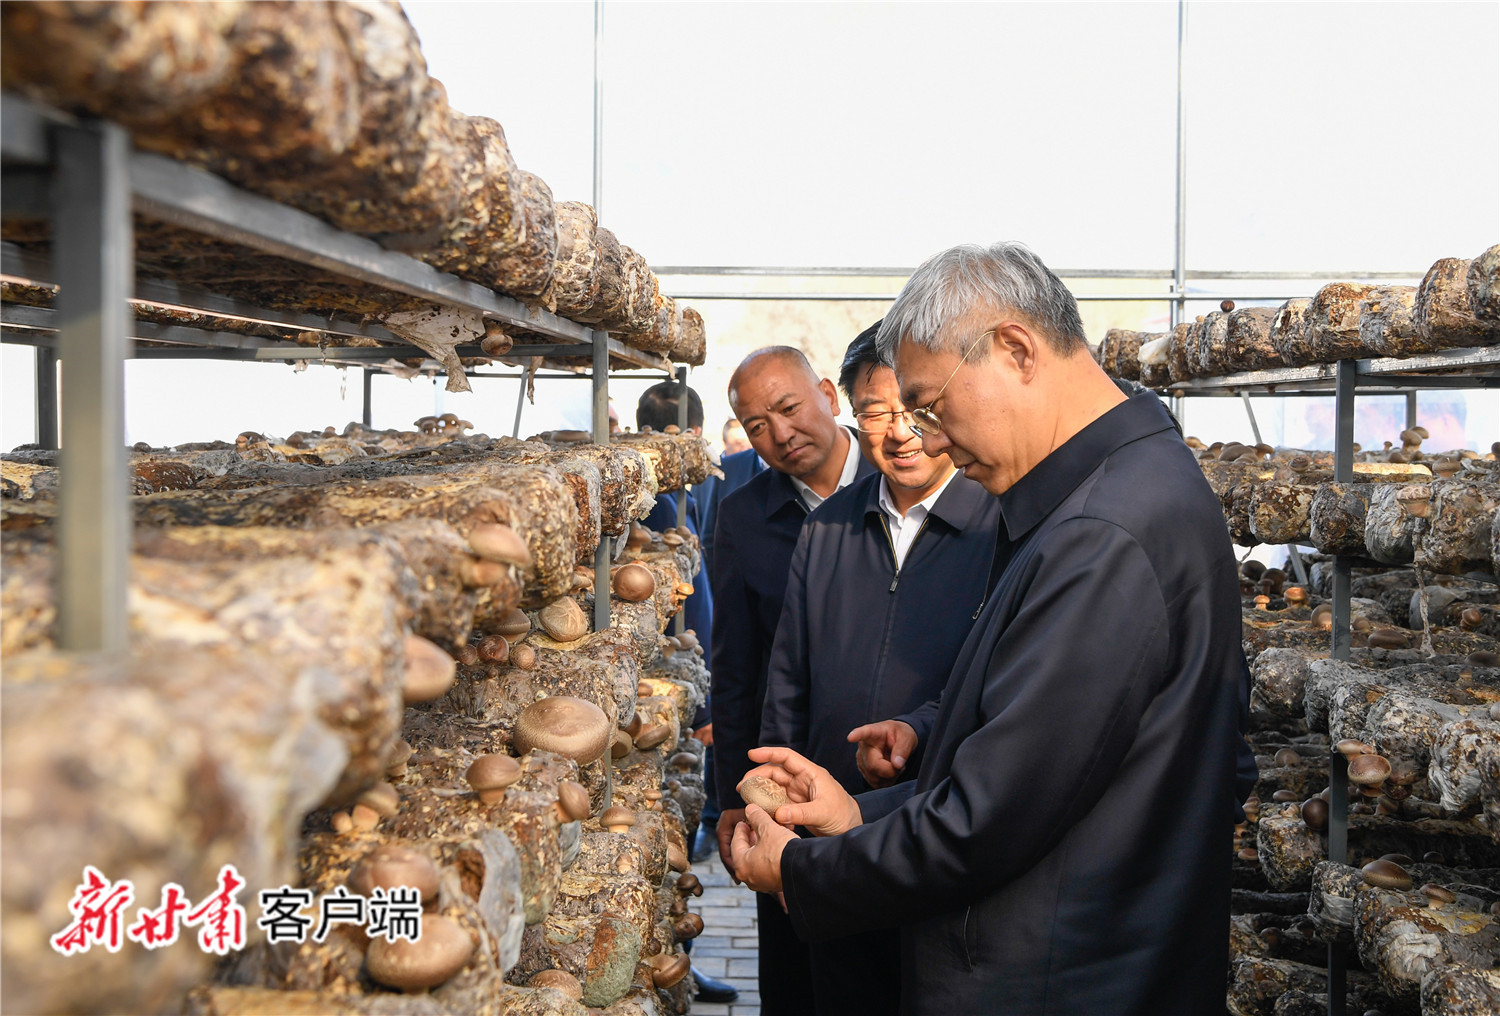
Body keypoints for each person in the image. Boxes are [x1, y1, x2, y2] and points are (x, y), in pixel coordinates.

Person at [728, 242, 1245, 1015]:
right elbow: (1042, 766)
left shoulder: (1103, 532)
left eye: (932, 407)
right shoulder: (1101, 497)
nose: (930, 439)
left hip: (1064, 978)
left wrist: (804, 872)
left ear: (1015, 350)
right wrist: (859, 814)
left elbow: (987, 820)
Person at [758, 321, 1002, 1016]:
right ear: (851, 414)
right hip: (827, 825)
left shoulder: (998, 525)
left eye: (915, 410)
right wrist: (772, 805)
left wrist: (918, 732)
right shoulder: (828, 527)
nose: (899, 433)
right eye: (875, 414)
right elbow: (788, 679)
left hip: (942, 827)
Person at [709, 346, 874, 1016]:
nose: (780, 433)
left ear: (828, 396)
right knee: (794, 966)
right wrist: (731, 793)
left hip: (888, 771)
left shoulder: (903, 476)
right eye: (757, 425)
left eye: (788, 407)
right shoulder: (744, 515)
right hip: (785, 776)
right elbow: (735, 666)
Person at [632, 380, 738, 1007]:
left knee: (678, 816)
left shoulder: (683, 491)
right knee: (666, 821)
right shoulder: (659, 498)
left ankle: (681, 965)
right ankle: (673, 967)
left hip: (683, 675)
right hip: (664, 680)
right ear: (691, 433)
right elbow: (681, 600)